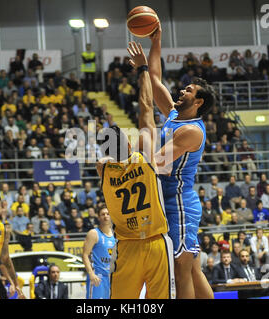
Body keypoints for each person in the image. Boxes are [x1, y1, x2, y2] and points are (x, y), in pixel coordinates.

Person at [96, 41, 175, 299]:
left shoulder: (104, 170)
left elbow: (105, 154)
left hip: (126, 246)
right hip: (155, 241)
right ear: (129, 143)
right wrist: (143, 69)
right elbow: (146, 108)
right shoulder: (145, 158)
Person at [149, 23, 216, 299]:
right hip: (169, 199)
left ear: (198, 101)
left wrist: (126, 160)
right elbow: (154, 79)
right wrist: (156, 40)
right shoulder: (176, 116)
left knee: (181, 267)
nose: (181, 91)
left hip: (179, 202)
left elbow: (157, 162)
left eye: (188, 90)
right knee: (192, 269)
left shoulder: (191, 131)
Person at [82, 206, 116, 299]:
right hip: (98, 276)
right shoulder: (94, 233)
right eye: (103, 214)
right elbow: (85, 255)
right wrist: (91, 274)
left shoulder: (116, 234)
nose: (106, 216)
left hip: (112, 277)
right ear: (98, 217)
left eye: (108, 214)